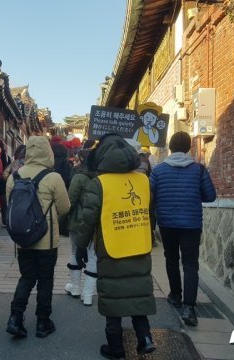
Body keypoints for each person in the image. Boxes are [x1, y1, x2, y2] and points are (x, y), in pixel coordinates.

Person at [76, 133, 157, 358]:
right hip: (139, 245)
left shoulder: (99, 183)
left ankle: (116, 348)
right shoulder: (143, 181)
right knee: (137, 293)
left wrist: (81, 248)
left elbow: (87, 221)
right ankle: (145, 337)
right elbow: (150, 214)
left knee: (113, 297)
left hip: (111, 248)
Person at [5, 136, 70, 339]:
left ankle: (15, 317)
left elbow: (11, 206)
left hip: (23, 239)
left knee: (26, 277)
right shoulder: (53, 177)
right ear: (47, 152)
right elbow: (65, 207)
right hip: (47, 240)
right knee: (45, 279)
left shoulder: (14, 177)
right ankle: (43, 322)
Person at [149, 131, 217, 327]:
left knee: (171, 259)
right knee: (190, 264)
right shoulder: (199, 170)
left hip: (167, 223)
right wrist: (194, 197)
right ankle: (190, 308)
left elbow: (150, 196)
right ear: (189, 147)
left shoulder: (159, 171)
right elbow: (210, 196)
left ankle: (175, 295)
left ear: (170, 147)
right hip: (191, 224)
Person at [65, 140, 97, 305]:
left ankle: (76, 288)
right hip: (96, 222)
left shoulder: (79, 177)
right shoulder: (101, 177)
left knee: (75, 251)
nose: (75, 162)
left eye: (77, 159)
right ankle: (88, 295)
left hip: (78, 222)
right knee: (93, 255)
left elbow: (69, 200)